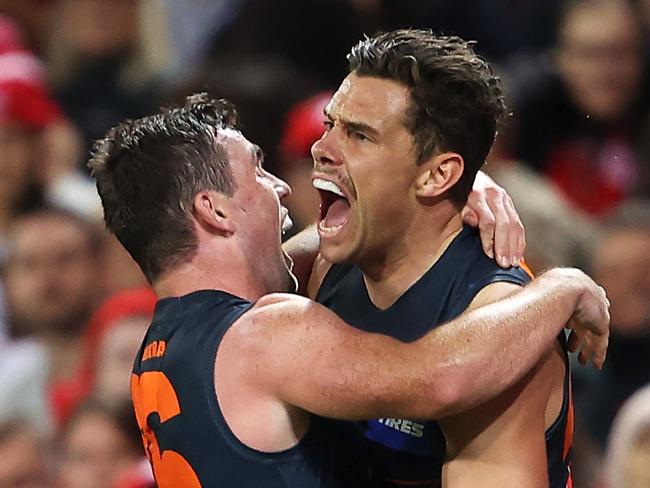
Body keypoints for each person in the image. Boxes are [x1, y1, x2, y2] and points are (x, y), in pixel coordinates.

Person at [88, 93, 609, 487]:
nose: (281, 186)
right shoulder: (267, 334)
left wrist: (429, 190)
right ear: (214, 210)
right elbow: (444, 378)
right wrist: (563, 286)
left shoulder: (158, 354)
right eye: (258, 170)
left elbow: (313, 246)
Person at [285, 30, 577, 487]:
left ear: (438, 174)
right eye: (330, 125)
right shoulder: (327, 266)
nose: (321, 150)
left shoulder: (501, 329)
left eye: (359, 135)